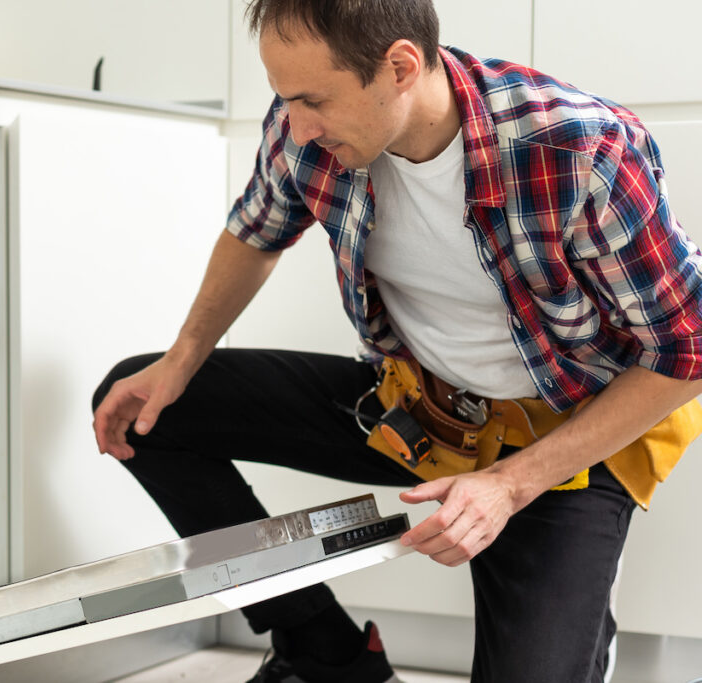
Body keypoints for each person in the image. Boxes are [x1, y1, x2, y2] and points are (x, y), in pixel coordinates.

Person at [92, 1, 702, 681]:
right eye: (285, 99)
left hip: (561, 442)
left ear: (401, 67)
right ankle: (325, 652)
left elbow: (687, 351)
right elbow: (255, 231)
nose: (295, 125)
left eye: (313, 100)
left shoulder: (579, 150)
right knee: (150, 407)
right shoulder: (308, 126)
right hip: (419, 411)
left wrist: (508, 485)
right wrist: (180, 360)